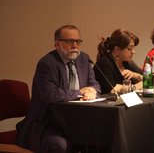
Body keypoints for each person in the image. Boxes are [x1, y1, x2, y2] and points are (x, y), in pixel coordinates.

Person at [16, 25, 101, 153]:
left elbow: (95, 85)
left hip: (78, 120)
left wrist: (92, 91)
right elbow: (51, 95)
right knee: (60, 145)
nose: (75, 45)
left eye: (78, 41)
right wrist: (80, 92)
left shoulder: (84, 59)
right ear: (57, 44)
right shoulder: (47, 64)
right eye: (69, 41)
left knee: (102, 137)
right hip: (49, 123)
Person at [94, 29, 143, 94]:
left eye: (134, 48)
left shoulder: (127, 61)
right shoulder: (105, 62)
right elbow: (113, 89)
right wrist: (136, 86)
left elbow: (146, 78)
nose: (133, 52)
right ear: (117, 49)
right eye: (129, 48)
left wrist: (135, 75)